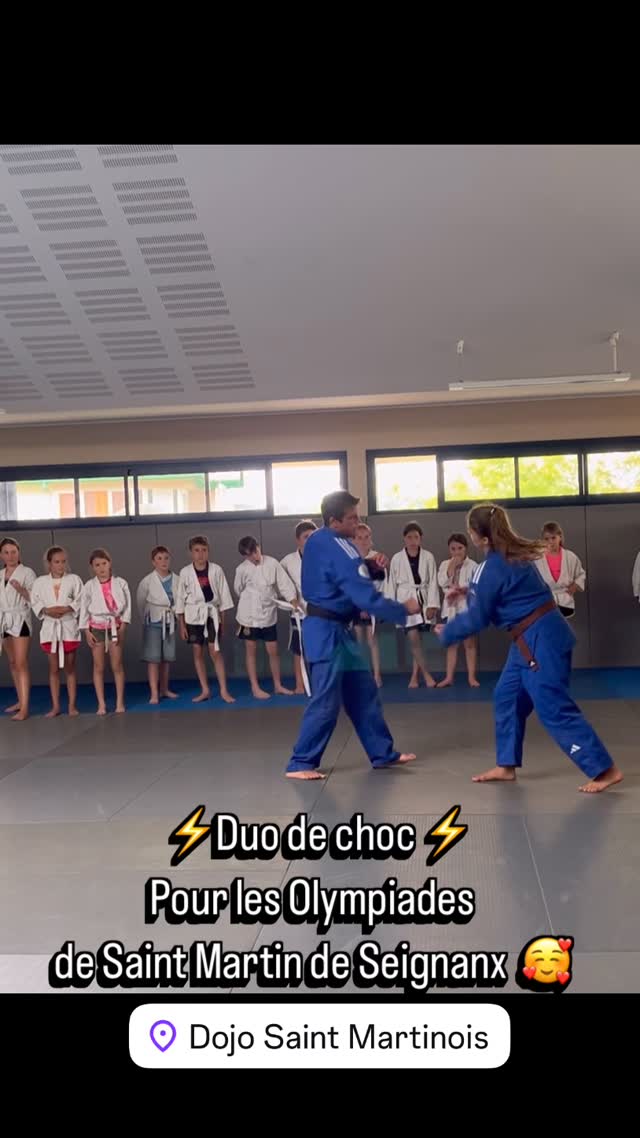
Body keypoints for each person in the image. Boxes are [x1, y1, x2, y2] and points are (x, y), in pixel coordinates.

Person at [435, 503, 623, 793]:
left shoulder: (494, 565)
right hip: (531, 639)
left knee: (552, 705)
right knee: (506, 696)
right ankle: (506, 765)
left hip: (539, 641)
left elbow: (479, 617)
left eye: (471, 530)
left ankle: (605, 769)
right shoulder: (512, 556)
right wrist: (469, 591)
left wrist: (447, 631)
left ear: (480, 537)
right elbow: (501, 591)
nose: (470, 535)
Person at [285, 490, 421, 780]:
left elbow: (338, 575)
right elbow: (363, 595)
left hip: (338, 632)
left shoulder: (320, 541)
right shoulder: (338, 545)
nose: (358, 524)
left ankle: (382, 753)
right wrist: (403, 609)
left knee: (363, 692)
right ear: (335, 521)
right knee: (326, 699)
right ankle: (300, 763)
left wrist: (371, 567)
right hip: (326, 633)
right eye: (352, 519)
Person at [234, 536, 299, 699]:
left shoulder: (272, 563)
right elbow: (238, 589)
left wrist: (293, 601)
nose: (254, 557)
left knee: (273, 650)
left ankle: (277, 685)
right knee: (251, 650)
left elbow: (284, 584)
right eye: (249, 555)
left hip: (268, 612)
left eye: (255, 552)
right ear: (244, 556)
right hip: (248, 614)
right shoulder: (241, 569)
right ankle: (255, 687)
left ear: (258, 547)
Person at [175, 536, 235, 704]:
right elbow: (180, 599)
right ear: (190, 553)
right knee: (197, 651)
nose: (200, 554)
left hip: (211, 613)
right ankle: (205, 690)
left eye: (204, 550)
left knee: (215, 651)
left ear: (208, 551)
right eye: (196, 550)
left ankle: (223, 690)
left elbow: (224, 597)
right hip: (193, 615)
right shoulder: (185, 572)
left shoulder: (216, 570)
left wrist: (222, 621)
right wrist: (182, 625)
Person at [31, 546, 83, 717]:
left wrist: (68, 608)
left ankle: (72, 705)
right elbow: (35, 601)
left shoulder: (74, 579)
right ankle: (55, 706)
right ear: (49, 563)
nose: (61, 565)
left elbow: (80, 599)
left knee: (70, 668)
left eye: (63, 561)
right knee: (53, 669)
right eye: (56, 562)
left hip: (68, 627)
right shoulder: (39, 582)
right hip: (50, 629)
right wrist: (47, 611)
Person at [387, 523, 439, 688]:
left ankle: (414, 678)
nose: (412, 540)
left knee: (418, 640)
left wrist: (432, 605)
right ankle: (426, 675)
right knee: (414, 639)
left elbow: (432, 582)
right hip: (405, 600)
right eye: (409, 537)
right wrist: (392, 607)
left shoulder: (428, 557)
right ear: (404, 538)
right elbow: (391, 584)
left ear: (420, 538)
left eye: (416, 537)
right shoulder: (397, 558)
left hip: (423, 600)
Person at [79, 548, 131, 715]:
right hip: (97, 627)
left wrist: (123, 625)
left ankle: (119, 702)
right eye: (97, 565)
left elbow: (127, 606)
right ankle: (101, 704)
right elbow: (83, 610)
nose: (101, 568)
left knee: (117, 664)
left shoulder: (121, 582)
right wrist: (86, 631)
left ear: (110, 564)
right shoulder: (89, 586)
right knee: (99, 666)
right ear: (92, 567)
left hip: (115, 625)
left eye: (104, 563)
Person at [137, 546, 180, 705]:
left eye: (166, 558)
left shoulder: (177, 579)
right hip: (153, 621)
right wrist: (146, 618)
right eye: (159, 558)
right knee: (153, 659)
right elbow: (140, 603)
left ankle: (164, 689)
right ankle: (154, 693)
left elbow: (180, 600)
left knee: (166, 659)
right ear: (153, 562)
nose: (163, 561)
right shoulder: (147, 581)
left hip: (170, 621)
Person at [0, 537, 36, 721]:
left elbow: (35, 599)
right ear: (1, 555)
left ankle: (25, 708)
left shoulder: (27, 573)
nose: (10, 556)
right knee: (13, 662)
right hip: (4, 620)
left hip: (20, 619)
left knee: (21, 662)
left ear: (19, 552)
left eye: (13, 552)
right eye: (6, 552)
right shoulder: (0, 574)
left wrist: (21, 590)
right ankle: (20, 701)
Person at [436, 533, 479, 687]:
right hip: (451, 609)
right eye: (453, 549)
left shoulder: (473, 565)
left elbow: (476, 588)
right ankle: (449, 677)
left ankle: (471, 677)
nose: (456, 552)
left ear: (466, 548)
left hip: (467, 608)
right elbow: (441, 582)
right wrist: (451, 567)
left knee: (470, 644)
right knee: (452, 644)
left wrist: (464, 591)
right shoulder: (444, 564)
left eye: (460, 548)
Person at [280, 520, 317, 694]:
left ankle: (321, 683)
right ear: (298, 540)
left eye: (312, 536)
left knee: (321, 648)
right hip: (299, 610)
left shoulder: (323, 557)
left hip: (320, 609)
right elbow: (280, 583)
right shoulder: (287, 561)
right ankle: (300, 684)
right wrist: (291, 600)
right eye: (306, 537)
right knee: (299, 649)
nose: (309, 540)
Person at [352, 521, 384, 687]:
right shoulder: (351, 557)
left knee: (372, 639)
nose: (363, 541)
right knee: (358, 639)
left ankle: (377, 675)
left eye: (366, 537)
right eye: (359, 537)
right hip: (354, 603)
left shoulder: (376, 557)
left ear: (370, 539)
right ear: (354, 539)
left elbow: (379, 584)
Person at [535, 522, 586, 618]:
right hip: (545, 604)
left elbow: (581, 574)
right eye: (546, 539)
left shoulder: (570, 557)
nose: (550, 541)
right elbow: (532, 579)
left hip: (566, 604)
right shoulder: (537, 559)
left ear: (560, 537)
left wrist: (575, 586)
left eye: (553, 538)